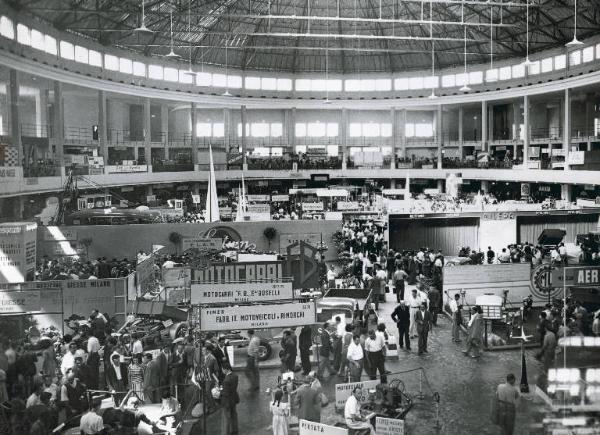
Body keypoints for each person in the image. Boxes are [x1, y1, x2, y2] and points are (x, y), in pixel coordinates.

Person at [220, 363, 239, 435]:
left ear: (226, 369)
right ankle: (235, 430)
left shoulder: (226, 380)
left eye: (222, 369)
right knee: (234, 415)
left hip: (227, 402)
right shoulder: (235, 376)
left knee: (226, 419)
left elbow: (226, 393)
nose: (222, 371)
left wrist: (220, 391)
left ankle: (226, 433)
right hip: (234, 399)